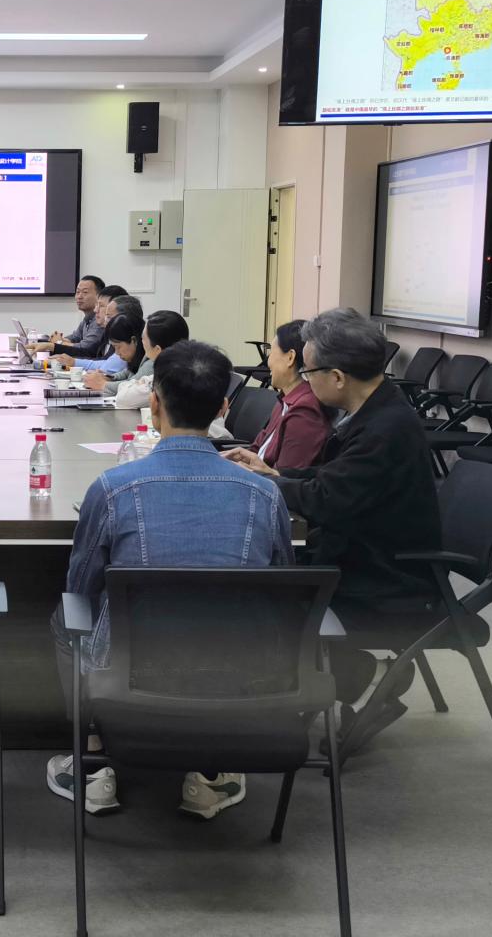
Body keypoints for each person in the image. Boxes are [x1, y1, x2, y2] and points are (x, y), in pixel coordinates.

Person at [47, 340, 294, 820]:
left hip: (130, 666)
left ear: (154, 403)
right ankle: (209, 773)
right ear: (223, 409)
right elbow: (281, 584)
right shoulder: (265, 494)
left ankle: (94, 759)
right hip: (237, 663)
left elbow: (80, 585)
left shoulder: (113, 487)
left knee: (67, 617)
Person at [223, 307, 442, 747]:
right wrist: (273, 474)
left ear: (337, 377)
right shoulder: (374, 412)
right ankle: (340, 680)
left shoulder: (384, 430)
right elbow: (335, 479)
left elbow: (328, 500)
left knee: (253, 597)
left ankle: (366, 676)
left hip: (385, 577)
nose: (305, 379)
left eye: (309, 371)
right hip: (363, 551)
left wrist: (266, 484)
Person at [236, 320, 332, 472]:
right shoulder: (285, 400)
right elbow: (257, 450)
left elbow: (285, 478)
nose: (268, 361)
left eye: (271, 352)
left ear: (290, 358)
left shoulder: (305, 411)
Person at [109, 310, 187, 409]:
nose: (141, 342)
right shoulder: (187, 367)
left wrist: (137, 384)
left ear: (157, 350)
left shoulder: (164, 380)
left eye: (143, 338)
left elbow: (123, 399)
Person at [53, 295, 142, 372]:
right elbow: (100, 359)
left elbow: (107, 367)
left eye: (109, 317)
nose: (95, 310)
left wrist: (58, 346)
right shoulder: (104, 331)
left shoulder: (126, 342)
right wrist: (73, 361)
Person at [31, 278, 112, 357]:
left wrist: (59, 343)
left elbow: (85, 348)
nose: (79, 296)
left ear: (99, 296)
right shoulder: (87, 319)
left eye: (85, 292)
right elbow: (75, 337)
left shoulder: (100, 321)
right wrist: (59, 340)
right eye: (78, 292)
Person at [81, 314, 145, 393]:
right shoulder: (136, 359)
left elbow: (132, 386)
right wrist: (107, 377)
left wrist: (102, 384)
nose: (117, 353)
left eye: (118, 347)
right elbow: (127, 373)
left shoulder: (149, 361)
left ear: (134, 341)